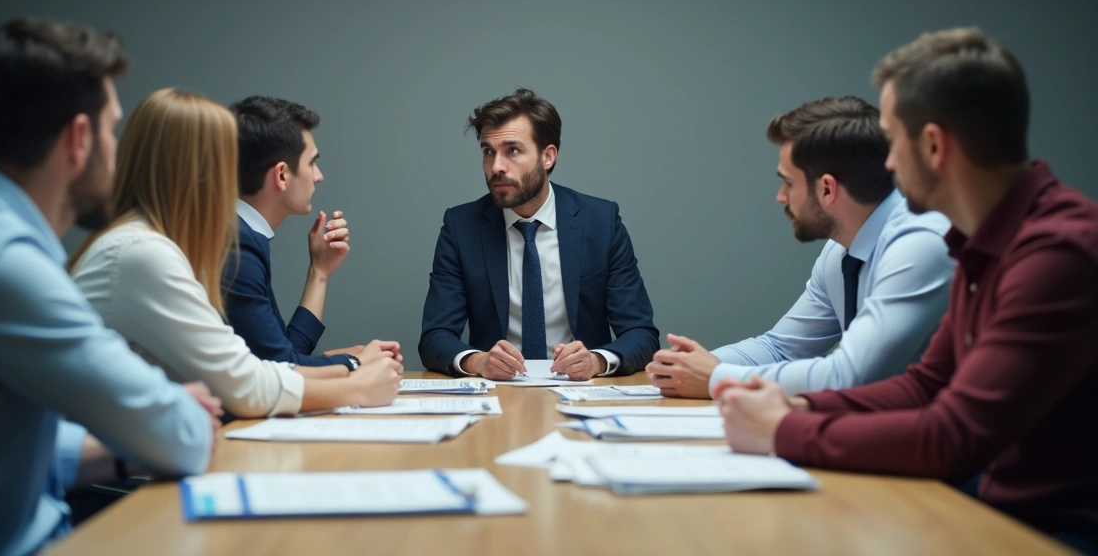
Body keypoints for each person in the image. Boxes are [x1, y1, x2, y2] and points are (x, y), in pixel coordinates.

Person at [715, 28, 1098, 553]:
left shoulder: (1057, 251)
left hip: (1051, 534)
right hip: (993, 510)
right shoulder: (981, 238)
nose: (887, 165)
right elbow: (922, 385)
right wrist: (798, 408)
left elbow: (953, 435)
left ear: (935, 146)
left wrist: (783, 431)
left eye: (894, 141)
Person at [0, 19, 217, 555]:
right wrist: (163, 414)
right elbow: (185, 438)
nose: (116, 150)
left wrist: (134, 439)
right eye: (111, 129)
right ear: (79, 139)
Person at [70, 88, 402, 418]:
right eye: (223, 161)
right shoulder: (143, 254)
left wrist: (345, 363)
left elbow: (250, 369)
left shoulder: (144, 245)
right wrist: (355, 380)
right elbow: (250, 382)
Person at [647, 96, 953, 398]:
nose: (781, 196)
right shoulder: (841, 251)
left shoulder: (920, 244)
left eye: (789, 182)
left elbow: (851, 374)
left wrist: (716, 377)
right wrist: (687, 367)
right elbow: (781, 348)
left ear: (827, 189)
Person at [419, 88, 659, 380]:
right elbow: (435, 337)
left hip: (580, 392)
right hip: (498, 393)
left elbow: (641, 334)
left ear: (548, 156)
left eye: (513, 150)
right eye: (488, 152)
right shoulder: (461, 226)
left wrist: (596, 361)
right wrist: (477, 362)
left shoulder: (601, 222)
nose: (496, 166)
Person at [224, 95, 401, 373]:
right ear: (282, 175)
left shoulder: (241, 234)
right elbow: (280, 368)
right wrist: (354, 363)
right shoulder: (237, 247)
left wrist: (319, 271)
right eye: (311, 163)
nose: (318, 176)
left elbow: (282, 352)